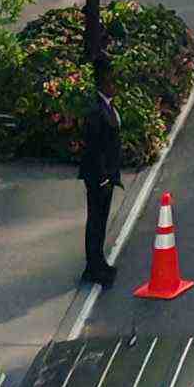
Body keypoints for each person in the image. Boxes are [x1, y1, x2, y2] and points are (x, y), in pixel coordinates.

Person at [78, 88, 125, 285]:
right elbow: (94, 148)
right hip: (99, 177)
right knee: (96, 221)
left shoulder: (107, 105)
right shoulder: (96, 111)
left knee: (101, 220)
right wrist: (103, 176)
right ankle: (93, 267)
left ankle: (98, 262)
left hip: (106, 175)